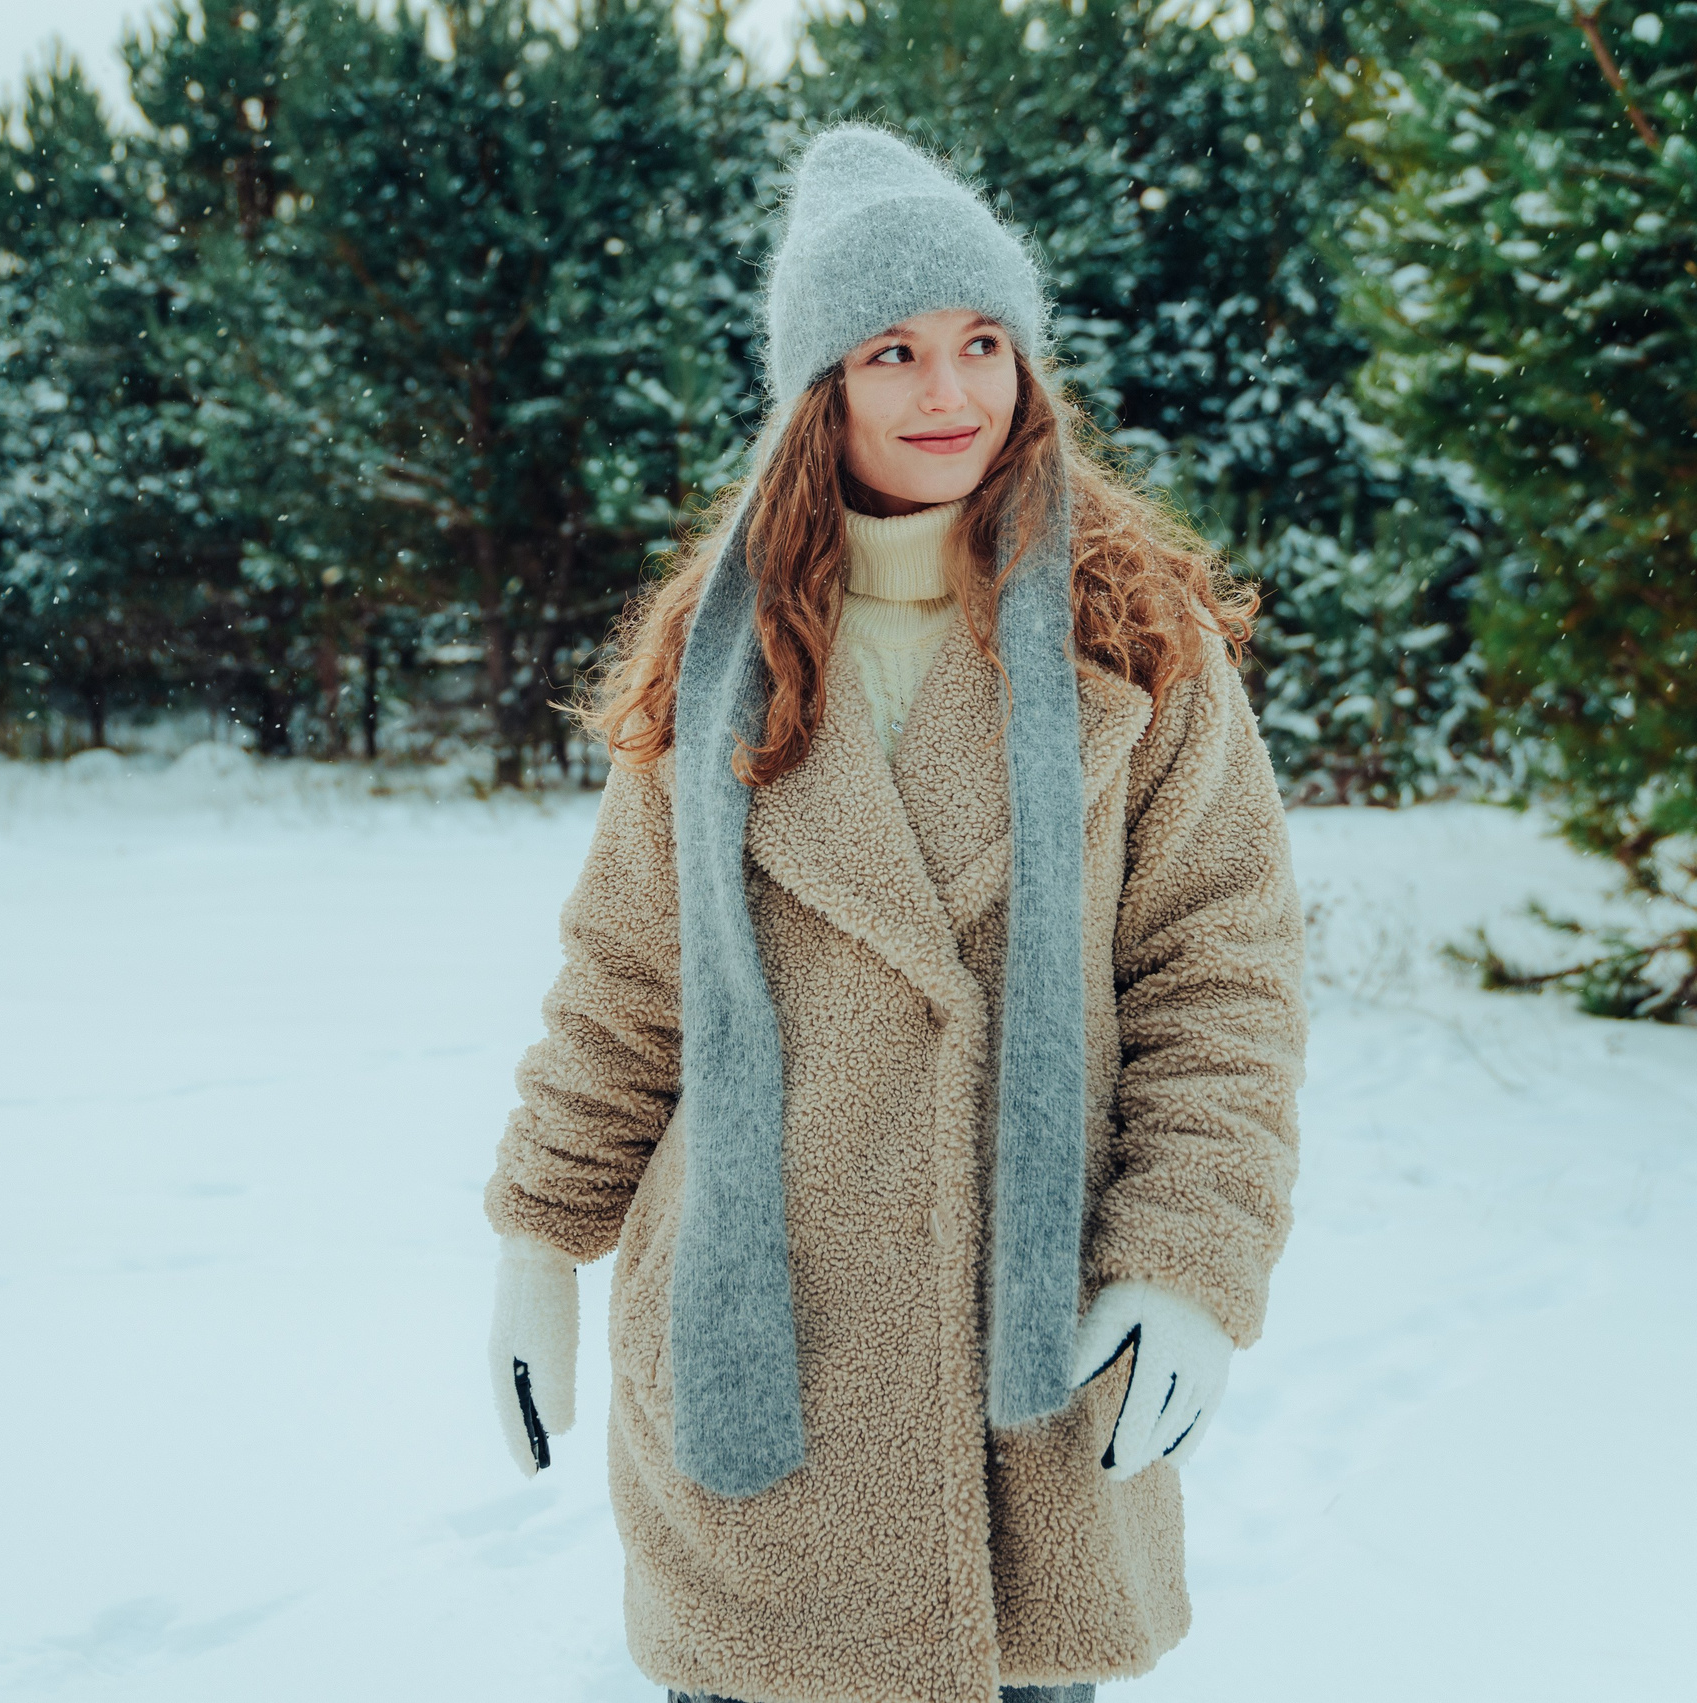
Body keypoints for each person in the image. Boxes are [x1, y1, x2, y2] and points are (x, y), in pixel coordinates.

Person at [481, 123, 1307, 1703]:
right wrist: (538, 1237)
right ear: (823, 391)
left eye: (985, 342)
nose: (954, 395)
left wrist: (1189, 1263)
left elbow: (1223, 983)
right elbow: (626, 986)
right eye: (898, 351)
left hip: (1038, 1389)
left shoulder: (1137, 644)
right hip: (763, 1388)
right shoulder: (712, 658)